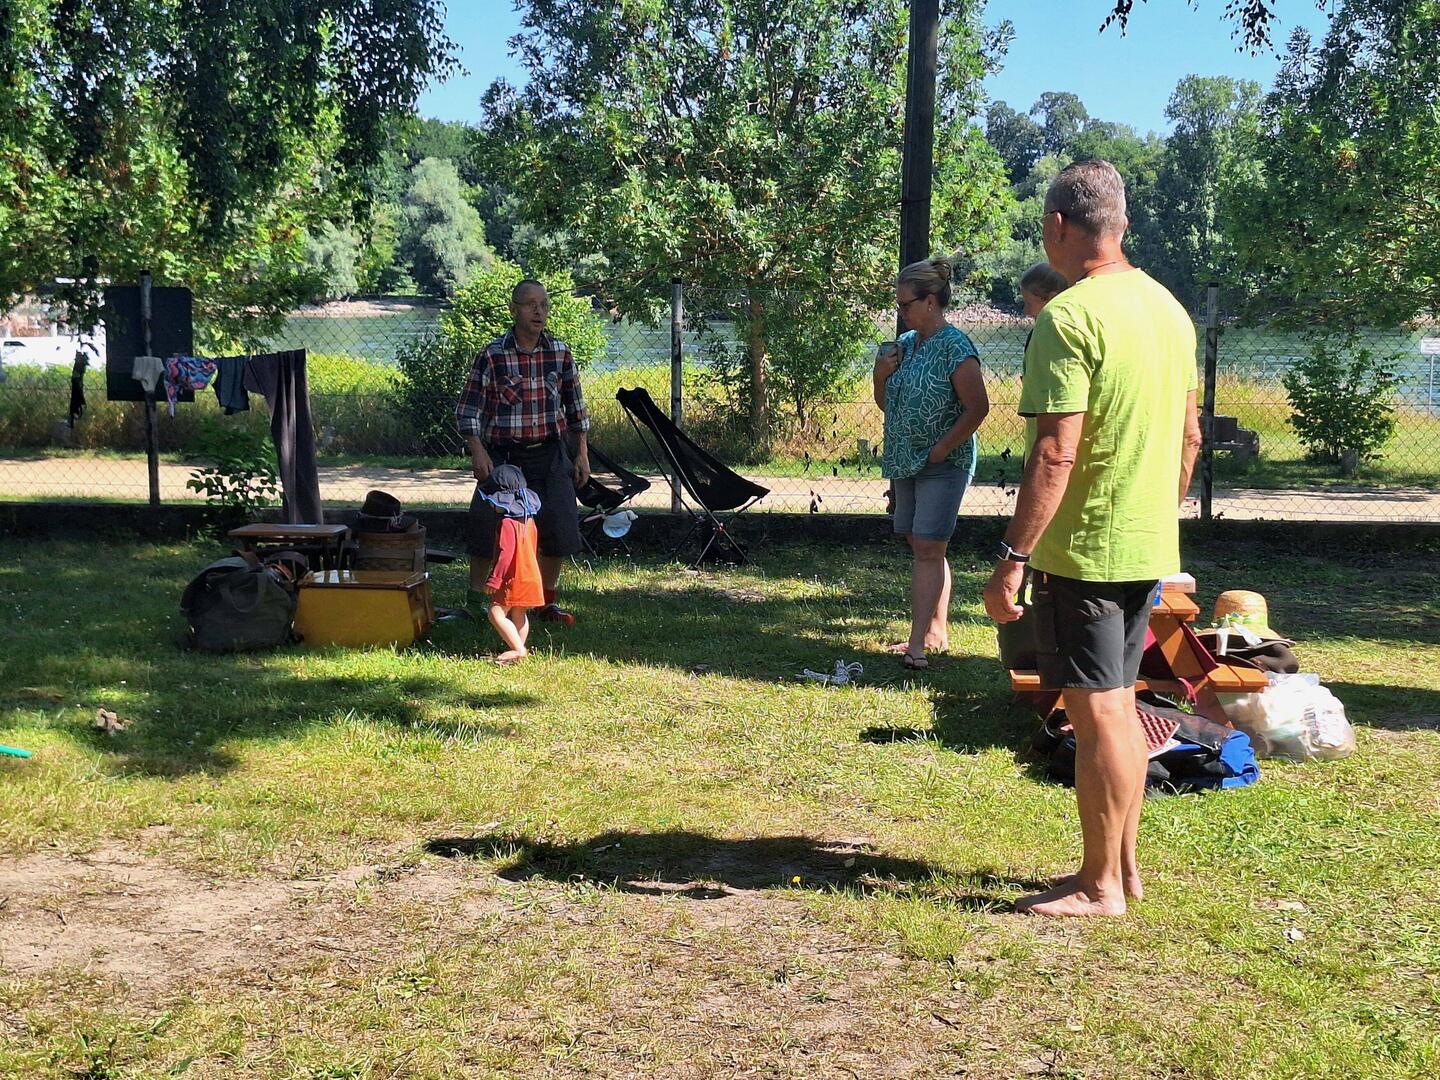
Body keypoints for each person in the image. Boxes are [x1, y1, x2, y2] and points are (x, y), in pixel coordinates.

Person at [982, 160, 1203, 917]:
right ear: (1125, 224)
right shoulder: (1171, 310)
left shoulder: (1068, 318)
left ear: (1057, 227)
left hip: (1086, 549)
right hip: (1146, 544)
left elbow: (1055, 453)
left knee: (1099, 710)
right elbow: (1190, 437)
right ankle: (1124, 868)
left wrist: (1012, 558)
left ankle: (1100, 884)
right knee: (1117, 703)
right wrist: (1159, 512)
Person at [874, 256, 990, 670]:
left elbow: (978, 408)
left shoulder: (957, 347)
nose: (900, 312)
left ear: (929, 302)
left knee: (927, 546)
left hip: (944, 462)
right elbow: (889, 405)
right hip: (905, 460)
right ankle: (937, 628)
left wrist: (942, 448)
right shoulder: (903, 347)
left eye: (905, 304)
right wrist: (878, 375)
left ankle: (916, 645)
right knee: (921, 542)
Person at [457, 279, 591, 625]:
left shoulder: (560, 353)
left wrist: (581, 455)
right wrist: (478, 451)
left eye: (544, 304)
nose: (539, 311)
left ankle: (545, 602)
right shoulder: (493, 355)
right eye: (531, 304)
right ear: (513, 310)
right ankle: (476, 601)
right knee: (487, 528)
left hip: (551, 454)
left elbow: (577, 411)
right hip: (504, 457)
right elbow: (468, 410)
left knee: (559, 528)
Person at [477, 464, 545, 664]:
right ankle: (518, 649)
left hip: (513, 578)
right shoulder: (529, 520)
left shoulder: (507, 523)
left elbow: (505, 555)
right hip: (531, 576)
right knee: (519, 614)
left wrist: (494, 579)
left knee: (495, 612)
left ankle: (518, 650)